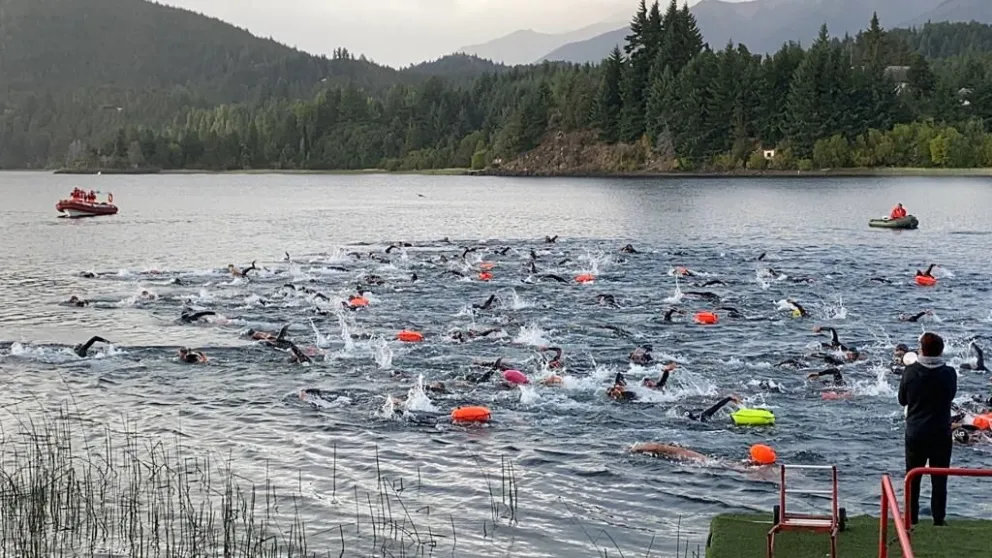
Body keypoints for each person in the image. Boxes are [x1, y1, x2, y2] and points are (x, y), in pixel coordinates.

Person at [898, 332, 957, 527]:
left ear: (922, 349)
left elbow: (902, 400)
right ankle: (939, 519)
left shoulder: (910, 372)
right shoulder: (949, 373)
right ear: (940, 351)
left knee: (913, 477)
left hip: (916, 432)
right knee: (940, 478)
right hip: (941, 431)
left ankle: (911, 518)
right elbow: (951, 396)